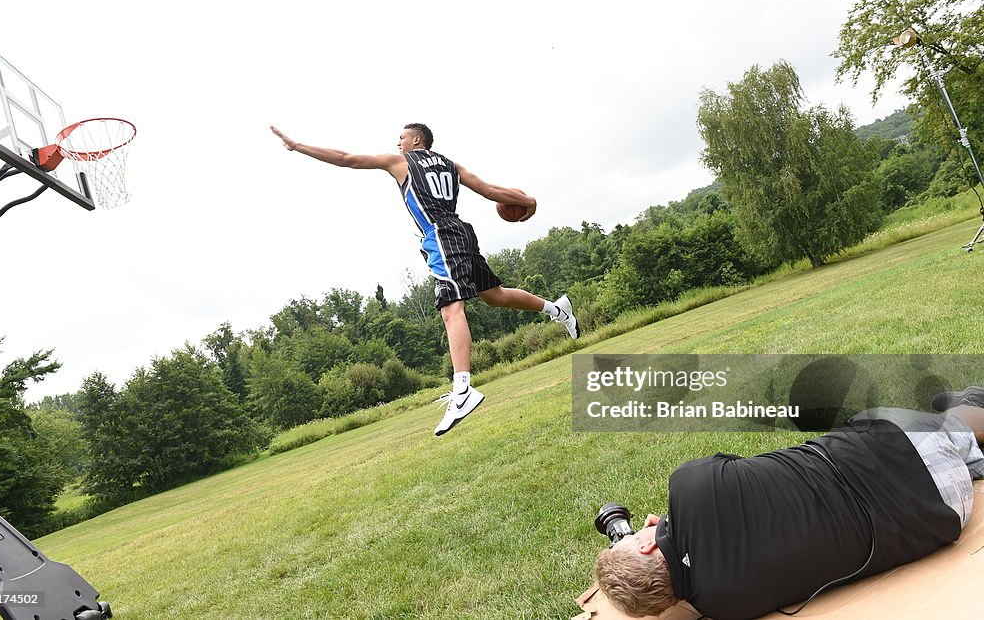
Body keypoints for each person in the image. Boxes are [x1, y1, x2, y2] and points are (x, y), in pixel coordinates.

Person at [269, 123, 580, 436]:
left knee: (450, 308)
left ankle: (463, 390)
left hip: (440, 236)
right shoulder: (451, 164)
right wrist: (529, 202)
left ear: (416, 140)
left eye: (401, 137)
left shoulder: (401, 163)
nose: (397, 142)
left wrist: (298, 146)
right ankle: (559, 311)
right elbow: (491, 192)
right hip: (461, 231)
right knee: (494, 296)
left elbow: (346, 158)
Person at [594, 390, 984, 620]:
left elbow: (715, 556)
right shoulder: (689, 484)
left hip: (944, 514)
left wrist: (672, 539)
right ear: (645, 543)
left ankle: (970, 456)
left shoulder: (723, 607)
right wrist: (669, 524)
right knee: (944, 424)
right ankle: (965, 411)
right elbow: (745, 476)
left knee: (950, 449)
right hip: (904, 446)